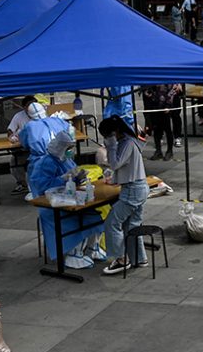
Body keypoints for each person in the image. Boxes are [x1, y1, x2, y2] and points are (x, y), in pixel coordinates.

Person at [30, 130, 104, 269]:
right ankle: (74, 255)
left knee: (94, 216)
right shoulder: (44, 163)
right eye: (68, 148)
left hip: (70, 200)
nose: (71, 151)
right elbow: (42, 186)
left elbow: (72, 177)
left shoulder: (66, 159)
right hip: (53, 205)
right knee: (77, 221)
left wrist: (78, 177)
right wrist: (63, 179)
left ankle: (93, 248)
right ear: (60, 147)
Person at [99, 116, 151, 275]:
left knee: (112, 223)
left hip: (133, 190)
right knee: (132, 225)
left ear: (115, 132)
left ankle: (121, 259)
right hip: (136, 187)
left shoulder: (127, 143)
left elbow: (115, 164)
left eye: (108, 135)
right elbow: (122, 167)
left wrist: (111, 146)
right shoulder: (129, 141)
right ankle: (139, 258)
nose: (107, 138)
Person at [19, 101, 72, 173]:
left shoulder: (29, 126)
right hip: (64, 161)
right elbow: (70, 134)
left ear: (29, 115)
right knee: (68, 179)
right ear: (44, 110)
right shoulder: (57, 120)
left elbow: (24, 142)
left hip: (40, 162)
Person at [6, 95, 36, 194]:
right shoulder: (19, 116)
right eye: (29, 105)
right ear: (24, 107)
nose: (32, 107)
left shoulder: (41, 115)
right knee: (14, 162)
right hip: (24, 149)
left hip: (39, 150)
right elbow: (10, 130)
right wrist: (12, 137)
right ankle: (23, 184)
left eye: (34, 104)